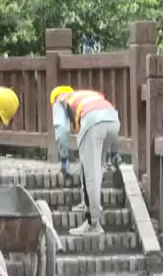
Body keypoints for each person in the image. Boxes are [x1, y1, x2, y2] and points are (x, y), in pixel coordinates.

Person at [49, 85, 120, 234]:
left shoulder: (59, 101)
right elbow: (106, 113)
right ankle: (87, 203)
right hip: (113, 121)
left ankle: (93, 223)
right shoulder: (88, 95)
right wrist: (115, 152)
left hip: (93, 124)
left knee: (90, 175)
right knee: (96, 168)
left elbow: (62, 130)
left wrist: (64, 158)